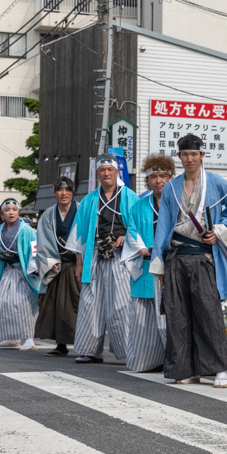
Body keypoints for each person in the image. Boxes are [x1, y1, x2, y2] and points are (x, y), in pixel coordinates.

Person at [149, 134, 227, 387]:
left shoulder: (219, 184)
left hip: (204, 257)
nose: (189, 159)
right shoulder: (170, 187)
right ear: (179, 157)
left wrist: (218, 233)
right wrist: (159, 263)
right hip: (177, 255)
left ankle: (220, 370)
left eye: (194, 154)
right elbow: (163, 226)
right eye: (184, 154)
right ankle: (186, 369)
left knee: (208, 313)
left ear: (202, 155)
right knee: (178, 314)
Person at [69, 154, 137, 364]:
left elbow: (139, 225)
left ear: (117, 172)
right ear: (97, 173)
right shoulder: (89, 200)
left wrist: (128, 235)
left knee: (121, 304)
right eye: (102, 170)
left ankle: (128, 351)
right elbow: (79, 235)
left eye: (110, 169)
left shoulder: (130, 197)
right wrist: (79, 264)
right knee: (91, 303)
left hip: (121, 255)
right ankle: (89, 350)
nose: (106, 173)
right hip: (95, 255)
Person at [124, 153, 174, 371]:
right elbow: (131, 232)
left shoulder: (179, 203)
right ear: (148, 180)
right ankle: (146, 361)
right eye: (154, 176)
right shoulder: (138, 206)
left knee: (169, 314)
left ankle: (174, 361)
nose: (159, 180)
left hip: (171, 266)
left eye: (163, 175)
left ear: (171, 177)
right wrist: (143, 249)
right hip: (146, 266)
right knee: (143, 318)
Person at [34, 176, 80, 357]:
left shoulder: (81, 210)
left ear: (72, 192)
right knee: (57, 307)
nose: (64, 193)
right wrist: (50, 262)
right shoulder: (48, 214)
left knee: (80, 304)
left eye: (67, 190)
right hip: (57, 266)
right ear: (54, 193)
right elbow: (43, 241)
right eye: (60, 190)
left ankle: (85, 344)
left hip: (78, 265)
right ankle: (61, 345)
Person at [0, 198, 40, 351]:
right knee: (1, 302)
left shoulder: (27, 230)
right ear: (2, 213)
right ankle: (12, 337)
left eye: (14, 210)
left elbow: (35, 249)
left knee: (22, 304)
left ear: (19, 212)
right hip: (8, 271)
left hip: (24, 271)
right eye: (7, 210)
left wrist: (34, 267)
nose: (11, 212)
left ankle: (28, 338)